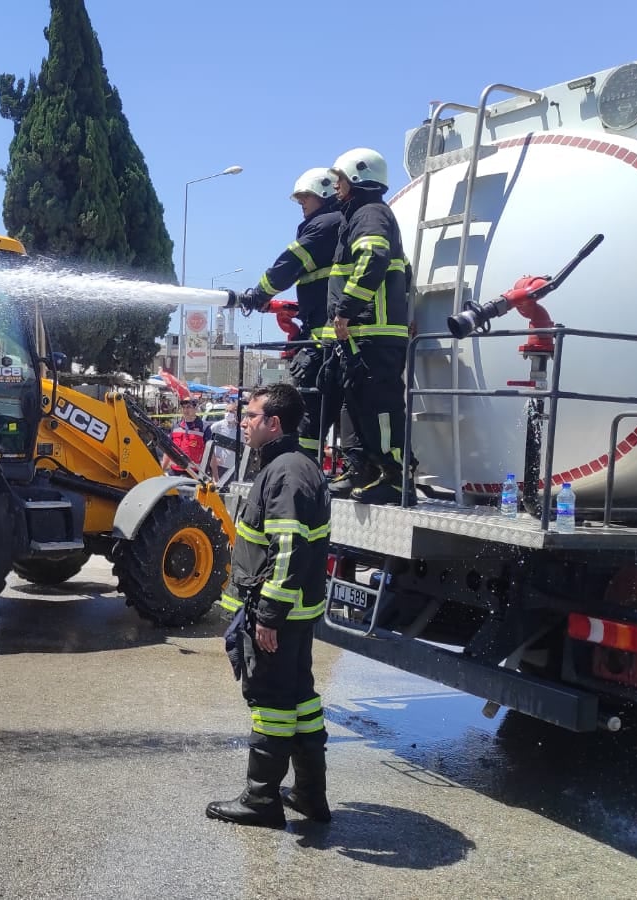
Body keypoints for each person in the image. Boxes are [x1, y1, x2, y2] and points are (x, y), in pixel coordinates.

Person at [206, 382, 331, 829]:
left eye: (252, 415)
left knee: (272, 703)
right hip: (295, 611)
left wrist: (268, 614)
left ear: (274, 423)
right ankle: (309, 796)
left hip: (278, 613)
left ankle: (261, 801)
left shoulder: (285, 473)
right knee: (299, 699)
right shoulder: (293, 467)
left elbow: (288, 546)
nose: (244, 421)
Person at [227, 168, 346, 459]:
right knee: (321, 410)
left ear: (326, 194)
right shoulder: (339, 223)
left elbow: (289, 264)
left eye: (306, 197)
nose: (301, 202)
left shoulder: (325, 225)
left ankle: (299, 465)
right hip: (325, 332)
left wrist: (258, 295)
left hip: (323, 337)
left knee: (307, 412)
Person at [326, 147, 410, 505]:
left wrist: (345, 309)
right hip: (362, 334)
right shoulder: (358, 216)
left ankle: (394, 476)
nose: (337, 188)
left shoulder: (371, 214)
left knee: (381, 404)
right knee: (356, 402)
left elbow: (373, 259)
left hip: (375, 333)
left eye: (341, 180)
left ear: (357, 178)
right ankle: (362, 468)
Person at [164, 398, 211, 476]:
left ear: (196, 409)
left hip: (194, 475)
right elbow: (168, 450)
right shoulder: (176, 427)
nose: (185, 410)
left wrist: (216, 478)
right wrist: (161, 470)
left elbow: (211, 454)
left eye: (188, 407)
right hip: (174, 473)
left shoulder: (204, 428)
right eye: (183, 407)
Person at [207, 400, 240, 484]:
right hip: (219, 467)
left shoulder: (241, 429)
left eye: (231, 411)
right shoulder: (217, 426)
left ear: (236, 412)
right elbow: (208, 444)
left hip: (234, 468)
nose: (228, 413)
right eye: (226, 411)